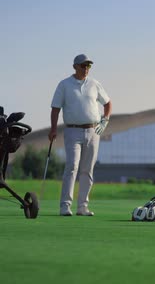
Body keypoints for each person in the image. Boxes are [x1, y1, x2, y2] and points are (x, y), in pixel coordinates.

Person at [49, 54, 112, 216]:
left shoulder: (94, 84)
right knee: (72, 167)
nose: (86, 69)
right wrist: (53, 129)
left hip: (93, 131)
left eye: (88, 66)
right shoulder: (64, 85)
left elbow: (107, 103)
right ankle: (65, 206)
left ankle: (82, 207)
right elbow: (55, 108)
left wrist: (105, 121)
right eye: (83, 66)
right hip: (72, 130)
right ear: (75, 66)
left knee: (87, 170)